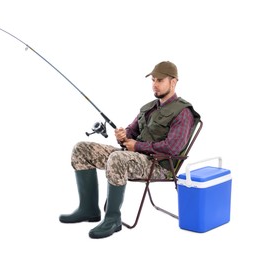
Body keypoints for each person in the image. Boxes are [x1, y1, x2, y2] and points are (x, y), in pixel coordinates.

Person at [59, 61, 201, 239]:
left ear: (173, 82)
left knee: (117, 159)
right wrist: (123, 135)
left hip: (160, 165)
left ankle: (113, 219)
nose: (154, 85)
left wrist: (138, 146)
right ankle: (88, 209)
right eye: (153, 80)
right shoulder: (149, 107)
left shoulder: (183, 112)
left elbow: (173, 148)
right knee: (81, 149)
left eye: (160, 80)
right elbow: (132, 131)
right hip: (134, 156)